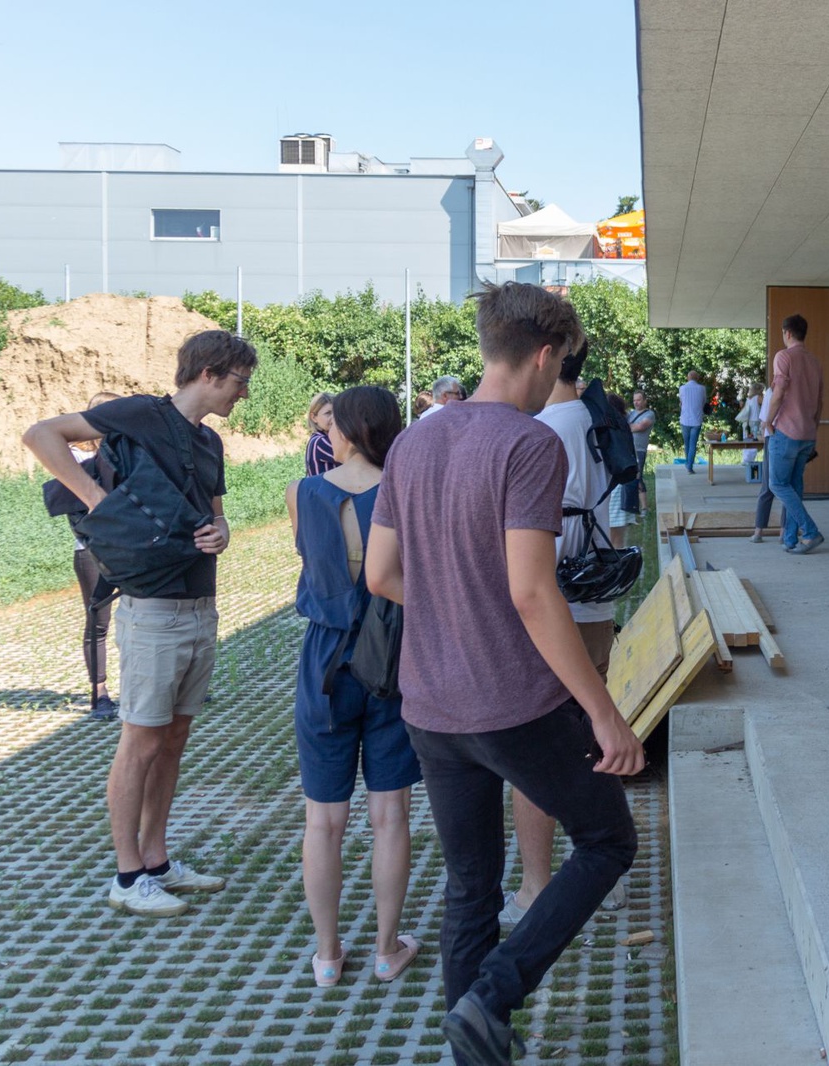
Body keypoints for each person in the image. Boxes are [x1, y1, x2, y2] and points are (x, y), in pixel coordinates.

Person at [364, 281, 643, 1064]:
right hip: (512, 704)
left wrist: (454, 605)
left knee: (470, 886)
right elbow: (530, 591)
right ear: (547, 355)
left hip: (429, 705)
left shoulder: (414, 441)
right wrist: (605, 714)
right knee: (607, 839)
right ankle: (494, 994)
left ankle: (474, 1042)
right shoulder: (530, 444)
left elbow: (380, 573)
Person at [24, 330, 255, 917]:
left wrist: (222, 533)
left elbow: (217, 516)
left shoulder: (210, 442)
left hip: (200, 608)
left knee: (172, 740)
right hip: (152, 610)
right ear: (208, 373)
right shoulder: (139, 415)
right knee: (141, 741)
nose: (244, 393)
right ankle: (128, 877)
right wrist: (95, 498)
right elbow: (41, 434)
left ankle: (157, 860)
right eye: (239, 381)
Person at [286, 385, 422, 987]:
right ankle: (387, 950)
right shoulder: (407, 491)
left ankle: (327, 956)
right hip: (391, 653)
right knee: (390, 814)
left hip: (324, 659)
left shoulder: (301, 491)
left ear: (346, 430)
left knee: (323, 820)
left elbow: (310, 559)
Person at [502, 338, 627, 931]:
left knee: (535, 755)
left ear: (544, 359)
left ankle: (535, 887)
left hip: (553, 606)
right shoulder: (602, 418)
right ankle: (605, 875)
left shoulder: (541, 431)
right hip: (596, 596)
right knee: (598, 739)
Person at [70, 391, 122, 721]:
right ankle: (99, 693)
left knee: (144, 614)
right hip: (91, 551)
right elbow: (76, 511)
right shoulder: (76, 457)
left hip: (130, 549)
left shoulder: (125, 454)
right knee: (98, 622)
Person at [761, 315, 824, 554]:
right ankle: (790, 539)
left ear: (787, 333)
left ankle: (810, 531)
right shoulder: (815, 362)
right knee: (794, 486)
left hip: (786, 431)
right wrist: (814, 428)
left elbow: (779, 392)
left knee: (777, 484)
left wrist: (767, 421)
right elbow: (819, 402)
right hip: (807, 433)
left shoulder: (783, 356)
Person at [605, 393, 640, 547]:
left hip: (614, 488)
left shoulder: (612, 430)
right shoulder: (621, 429)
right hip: (619, 487)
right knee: (617, 538)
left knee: (613, 538)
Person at [749, 382, 777, 542]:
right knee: (789, 488)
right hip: (791, 437)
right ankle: (785, 533)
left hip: (774, 437)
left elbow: (765, 421)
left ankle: (758, 532)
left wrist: (769, 432)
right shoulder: (798, 387)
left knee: (768, 486)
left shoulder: (773, 391)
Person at [623, 390, 655, 518]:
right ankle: (630, 506)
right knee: (627, 477)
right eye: (634, 400)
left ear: (645, 401)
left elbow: (640, 427)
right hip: (627, 449)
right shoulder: (630, 414)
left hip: (639, 450)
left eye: (639, 400)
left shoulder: (650, 414)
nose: (636, 402)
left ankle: (644, 508)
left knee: (638, 477)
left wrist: (627, 426)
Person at [735, 383, 765, 482]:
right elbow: (766, 406)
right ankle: (749, 460)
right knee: (755, 440)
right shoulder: (759, 398)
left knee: (748, 439)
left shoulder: (749, 398)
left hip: (748, 422)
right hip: (756, 421)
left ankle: (746, 459)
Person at [678, 370, 706, 473]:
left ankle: (688, 463)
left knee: (687, 444)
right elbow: (703, 402)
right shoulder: (702, 388)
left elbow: (681, 402)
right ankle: (689, 465)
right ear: (697, 378)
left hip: (685, 419)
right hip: (696, 420)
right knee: (693, 444)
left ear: (688, 377)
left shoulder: (682, 388)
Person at [305, 392, 339, 476]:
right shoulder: (320, 442)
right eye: (328, 413)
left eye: (337, 412)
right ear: (314, 417)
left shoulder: (320, 438)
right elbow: (354, 459)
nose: (334, 417)